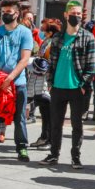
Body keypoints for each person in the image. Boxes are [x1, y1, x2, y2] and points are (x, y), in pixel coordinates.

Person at [41, 2, 95, 168]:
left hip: (77, 88)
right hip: (58, 87)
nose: (77, 16)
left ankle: (75, 156)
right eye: (73, 13)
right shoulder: (58, 37)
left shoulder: (87, 37)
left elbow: (91, 66)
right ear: (66, 15)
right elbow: (51, 63)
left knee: (77, 125)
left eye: (79, 14)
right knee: (56, 123)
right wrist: (50, 83)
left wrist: (83, 84)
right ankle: (54, 154)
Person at [0, 0, 33, 161]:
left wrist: (10, 79)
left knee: (19, 117)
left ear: (17, 13)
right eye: (3, 12)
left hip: (18, 83)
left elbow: (24, 59)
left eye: (9, 12)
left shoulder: (25, 32)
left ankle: (22, 148)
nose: (5, 14)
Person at [28, 19, 59, 150]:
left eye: (44, 29)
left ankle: (48, 140)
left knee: (48, 112)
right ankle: (44, 137)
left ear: (50, 32)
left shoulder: (52, 43)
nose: (41, 31)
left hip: (46, 81)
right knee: (44, 111)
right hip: (41, 80)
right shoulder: (47, 42)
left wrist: (38, 63)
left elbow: (49, 62)